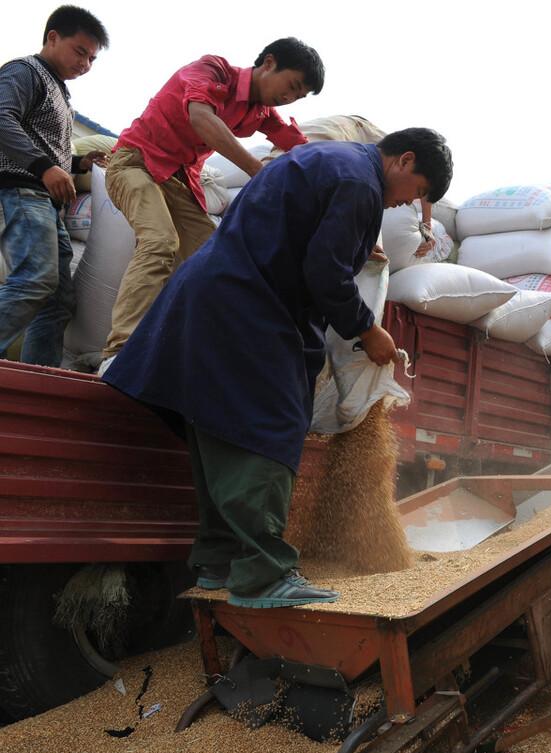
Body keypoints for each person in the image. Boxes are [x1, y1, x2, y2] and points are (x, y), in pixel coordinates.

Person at [102, 129, 453, 608]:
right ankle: (264, 576)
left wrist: (352, 245)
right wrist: (367, 330)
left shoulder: (328, 159)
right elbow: (325, 274)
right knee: (269, 429)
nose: (403, 205)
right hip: (249, 309)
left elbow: (293, 228)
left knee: (215, 424)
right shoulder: (360, 184)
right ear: (404, 161)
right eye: (414, 193)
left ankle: (219, 563)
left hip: (211, 294)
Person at [97, 37, 325, 374]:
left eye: (299, 96)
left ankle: (184, 355)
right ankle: (119, 353)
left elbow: (301, 151)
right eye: (291, 85)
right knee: (160, 242)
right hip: (134, 163)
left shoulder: (262, 112)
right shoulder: (213, 70)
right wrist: (256, 170)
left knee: (213, 263)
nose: (290, 98)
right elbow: (201, 117)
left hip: (178, 181)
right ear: (269, 63)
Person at [0, 6, 108, 366]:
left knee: (58, 302)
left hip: (47, 201)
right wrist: (45, 167)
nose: (86, 65)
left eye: (92, 59)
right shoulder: (25, 71)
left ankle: (38, 381)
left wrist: (78, 164)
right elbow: (1, 116)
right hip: (22, 190)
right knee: (35, 279)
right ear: (52, 37)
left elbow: (45, 143)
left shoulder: (60, 93)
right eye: (80, 52)